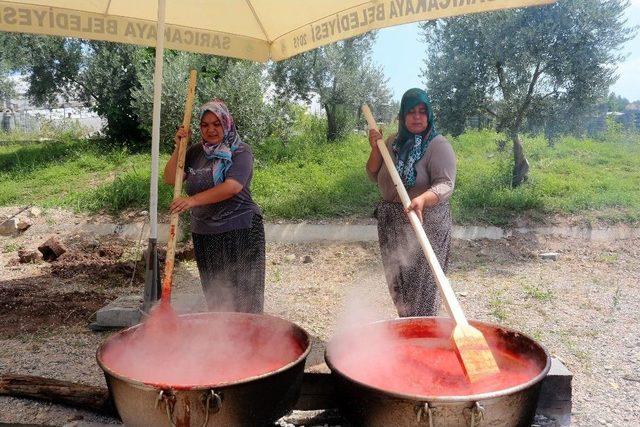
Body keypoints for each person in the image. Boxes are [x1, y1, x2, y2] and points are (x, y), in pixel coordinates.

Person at [164, 99, 265, 313]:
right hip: (205, 234)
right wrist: (179, 148)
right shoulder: (194, 153)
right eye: (205, 125)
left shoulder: (240, 151)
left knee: (245, 300)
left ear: (227, 123)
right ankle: (223, 344)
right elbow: (171, 179)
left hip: (240, 231)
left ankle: (251, 345)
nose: (211, 129)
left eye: (216, 123)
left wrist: (191, 200)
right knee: (217, 299)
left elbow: (232, 187)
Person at [366, 88, 456, 317]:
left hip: (425, 223)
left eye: (422, 112)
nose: (417, 117)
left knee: (422, 288)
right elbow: (372, 172)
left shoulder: (438, 145)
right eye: (411, 112)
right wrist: (376, 149)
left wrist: (423, 199)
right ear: (402, 116)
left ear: (429, 115)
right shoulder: (393, 142)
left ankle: (424, 334)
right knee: (399, 285)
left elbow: (446, 184)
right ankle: (409, 329)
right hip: (392, 223)